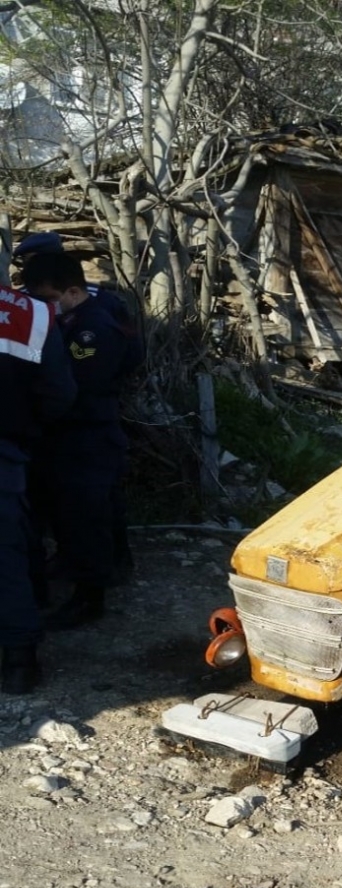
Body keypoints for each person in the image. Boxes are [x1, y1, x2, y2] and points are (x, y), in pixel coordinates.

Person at [23, 252, 143, 630]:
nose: (43, 308)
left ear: (72, 291)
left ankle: (90, 597)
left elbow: (74, 389)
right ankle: (104, 566)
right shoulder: (85, 314)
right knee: (90, 509)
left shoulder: (92, 330)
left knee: (85, 516)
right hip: (82, 434)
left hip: (85, 435)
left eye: (46, 299)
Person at [0, 281, 77, 692]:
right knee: (6, 558)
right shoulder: (33, 314)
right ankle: (18, 662)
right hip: (6, 451)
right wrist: (26, 431)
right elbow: (59, 393)